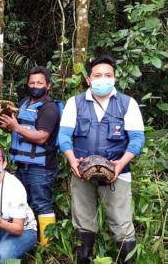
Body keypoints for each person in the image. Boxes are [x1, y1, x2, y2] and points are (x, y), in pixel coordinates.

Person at [58, 54, 145, 264]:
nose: (103, 79)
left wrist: (121, 163)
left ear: (115, 78)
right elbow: (63, 135)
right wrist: (72, 160)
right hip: (81, 172)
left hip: (118, 173)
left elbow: (137, 139)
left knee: (122, 225)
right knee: (83, 223)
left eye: (108, 75)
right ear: (88, 79)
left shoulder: (127, 103)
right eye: (97, 75)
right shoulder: (75, 103)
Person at [0, 66, 61, 246]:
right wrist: (7, 125)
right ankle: (26, 243)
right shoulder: (25, 103)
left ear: (48, 85)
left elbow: (42, 137)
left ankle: (46, 246)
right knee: (22, 204)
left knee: (42, 205)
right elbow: (20, 129)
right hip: (22, 165)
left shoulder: (49, 108)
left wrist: (16, 127)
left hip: (41, 167)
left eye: (40, 83)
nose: (35, 86)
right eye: (32, 82)